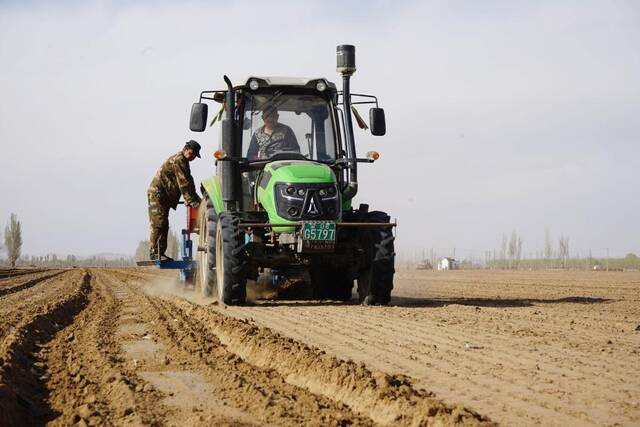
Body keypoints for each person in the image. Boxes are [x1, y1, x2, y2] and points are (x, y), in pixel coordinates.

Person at [147, 140, 202, 261]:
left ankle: (160, 252)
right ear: (187, 150)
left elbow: (189, 183)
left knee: (164, 224)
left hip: (165, 196)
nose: (193, 158)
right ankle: (154, 253)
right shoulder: (179, 160)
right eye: (193, 154)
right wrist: (194, 203)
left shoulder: (185, 163)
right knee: (159, 222)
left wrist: (199, 201)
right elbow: (183, 184)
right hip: (157, 194)